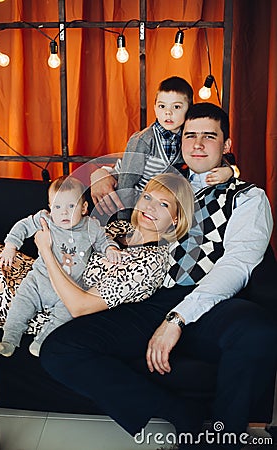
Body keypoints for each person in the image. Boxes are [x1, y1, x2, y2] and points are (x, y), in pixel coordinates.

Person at [40, 103, 277, 449]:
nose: (197, 144)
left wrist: (177, 318)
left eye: (209, 136)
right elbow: (115, 177)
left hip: (210, 302)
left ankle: (224, 437)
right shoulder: (166, 179)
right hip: (148, 297)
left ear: (226, 145)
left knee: (258, 331)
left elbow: (237, 266)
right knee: (58, 350)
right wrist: (97, 176)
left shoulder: (247, 197)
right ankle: (185, 417)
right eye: (190, 135)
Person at [0, 175, 121, 358]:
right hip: (39, 281)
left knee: (65, 315)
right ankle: (9, 340)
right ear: (50, 207)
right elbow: (23, 226)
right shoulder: (46, 219)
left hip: (69, 289)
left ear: (84, 208)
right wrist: (10, 247)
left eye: (71, 206)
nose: (64, 213)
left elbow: (104, 240)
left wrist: (111, 250)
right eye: (58, 207)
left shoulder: (91, 227)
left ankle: (41, 342)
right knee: (20, 304)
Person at [33, 172, 194, 317]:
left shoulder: (150, 263)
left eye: (163, 204)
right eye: (147, 197)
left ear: (176, 218)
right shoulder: (120, 228)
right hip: (40, 282)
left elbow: (79, 307)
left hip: (50, 311)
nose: (150, 206)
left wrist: (45, 250)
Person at [90, 76, 234, 220]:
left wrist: (228, 170)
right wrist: (123, 220)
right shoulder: (143, 140)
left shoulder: (187, 137)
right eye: (162, 106)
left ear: (188, 110)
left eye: (176, 107)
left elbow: (211, 157)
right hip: (128, 199)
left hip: (155, 204)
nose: (168, 113)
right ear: (154, 108)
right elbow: (127, 180)